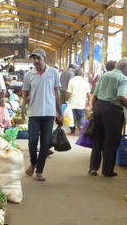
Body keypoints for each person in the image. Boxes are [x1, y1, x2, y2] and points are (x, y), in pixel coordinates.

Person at [88, 58, 127, 177]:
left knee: (98, 138)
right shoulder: (123, 79)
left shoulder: (105, 75)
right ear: (124, 68)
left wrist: (94, 109)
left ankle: (93, 168)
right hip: (113, 111)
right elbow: (120, 96)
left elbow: (95, 95)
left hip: (99, 107)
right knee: (111, 141)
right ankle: (107, 170)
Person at [21, 49, 62, 182]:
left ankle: (39, 171)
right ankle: (33, 162)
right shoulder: (29, 75)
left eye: (38, 58)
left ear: (44, 58)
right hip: (34, 113)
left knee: (45, 144)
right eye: (34, 58)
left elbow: (57, 94)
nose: (36, 61)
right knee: (32, 141)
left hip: (49, 113)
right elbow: (25, 94)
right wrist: (22, 107)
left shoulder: (53, 72)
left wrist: (59, 112)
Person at [66, 67, 90, 135]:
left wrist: (66, 100)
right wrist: (89, 101)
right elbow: (88, 93)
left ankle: (72, 132)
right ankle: (81, 131)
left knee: (72, 118)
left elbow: (68, 93)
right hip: (81, 103)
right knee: (81, 117)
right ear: (82, 73)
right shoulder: (85, 81)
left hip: (72, 103)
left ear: (74, 73)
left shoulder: (72, 81)